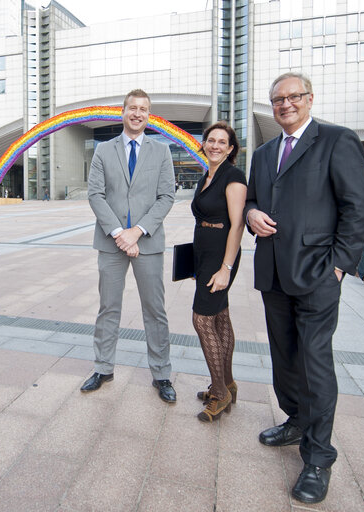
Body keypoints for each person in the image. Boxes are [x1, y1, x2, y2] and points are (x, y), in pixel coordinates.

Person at [245, 72, 364, 504]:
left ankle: (318, 457)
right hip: (274, 274)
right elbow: (252, 199)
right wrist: (251, 215)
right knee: (284, 356)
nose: (285, 104)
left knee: (315, 363)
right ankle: (295, 420)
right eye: (277, 99)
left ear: (309, 99)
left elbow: (359, 207)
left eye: (293, 97)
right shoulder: (262, 153)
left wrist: (339, 267)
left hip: (318, 274)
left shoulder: (337, 140)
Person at [82, 89, 177, 403]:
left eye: (144, 109)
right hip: (111, 243)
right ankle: (103, 367)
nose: (138, 114)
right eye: (132, 108)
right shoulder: (103, 152)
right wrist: (119, 233)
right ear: (122, 112)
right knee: (108, 308)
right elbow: (95, 195)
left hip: (147, 242)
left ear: (149, 115)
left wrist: (136, 232)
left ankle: (161, 374)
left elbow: (166, 198)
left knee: (155, 310)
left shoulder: (161, 152)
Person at [191, 121, 246, 422]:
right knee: (220, 317)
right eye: (210, 140)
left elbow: (237, 224)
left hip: (221, 258)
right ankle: (227, 383)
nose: (215, 145)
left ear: (231, 148)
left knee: (202, 319)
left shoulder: (233, 176)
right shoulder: (207, 176)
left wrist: (225, 268)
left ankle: (221, 393)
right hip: (205, 256)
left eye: (221, 142)